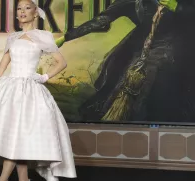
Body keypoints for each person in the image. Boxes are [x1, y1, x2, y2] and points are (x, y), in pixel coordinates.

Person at [0, 0, 77, 181]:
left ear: (35, 13)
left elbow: (61, 62)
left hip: (31, 92)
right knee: (16, 139)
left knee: (19, 138)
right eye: (19, 8)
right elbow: (1, 69)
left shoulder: (43, 36)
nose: (22, 11)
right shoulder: (12, 37)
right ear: (16, 14)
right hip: (10, 91)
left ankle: (3, 178)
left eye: (27, 8)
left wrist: (44, 77)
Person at [54, 0, 195, 122]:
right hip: (142, 47)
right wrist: (65, 38)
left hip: (178, 48)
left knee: (159, 83)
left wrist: (178, 8)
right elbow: (101, 20)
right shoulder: (131, 1)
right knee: (122, 80)